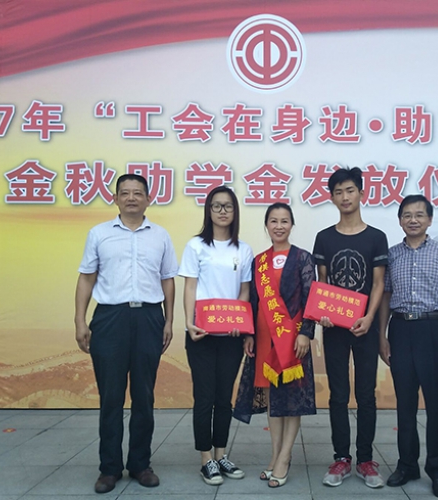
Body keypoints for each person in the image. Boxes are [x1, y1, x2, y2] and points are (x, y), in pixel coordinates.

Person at [74, 173, 178, 494]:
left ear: (149, 199)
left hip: (149, 317)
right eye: (125, 193)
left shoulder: (160, 236)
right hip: (110, 318)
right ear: (115, 198)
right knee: (111, 397)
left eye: (137, 193)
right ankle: (109, 468)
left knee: (144, 396)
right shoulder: (99, 234)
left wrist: (169, 321)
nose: (131, 198)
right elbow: (86, 278)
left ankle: (140, 464)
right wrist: (80, 320)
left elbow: (168, 280)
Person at [377, 194, 438, 498]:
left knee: (436, 404)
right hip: (401, 329)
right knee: (404, 404)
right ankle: (407, 465)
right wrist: (382, 336)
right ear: (400, 220)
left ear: (429, 219)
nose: (413, 220)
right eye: (407, 215)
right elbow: (386, 298)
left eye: (419, 215)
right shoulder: (392, 255)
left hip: (434, 330)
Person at [312, 167, 389, 488]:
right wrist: (322, 314)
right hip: (334, 328)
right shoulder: (324, 238)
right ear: (332, 198)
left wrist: (369, 319)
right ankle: (342, 458)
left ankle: (366, 459)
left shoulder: (376, 237)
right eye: (338, 192)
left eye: (350, 190)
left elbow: (378, 283)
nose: (345, 197)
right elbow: (322, 282)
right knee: (338, 395)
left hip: (365, 328)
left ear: (361, 193)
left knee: (366, 394)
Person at [233, 203, 317, 488]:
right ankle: (275, 454)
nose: (279, 226)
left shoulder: (303, 258)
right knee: (272, 398)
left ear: (292, 225)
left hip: (293, 340)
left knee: (291, 399)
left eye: (284, 221)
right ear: (266, 225)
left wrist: (306, 333)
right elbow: (253, 301)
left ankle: (285, 456)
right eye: (273, 221)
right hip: (264, 339)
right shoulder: (259, 261)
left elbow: (310, 298)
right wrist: (249, 334)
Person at [179, 186, 254, 485]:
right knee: (204, 397)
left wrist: (242, 322)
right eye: (217, 206)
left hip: (231, 336)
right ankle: (205, 459)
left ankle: (221, 454)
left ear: (235, 212)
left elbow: (245, 291)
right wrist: (189, 322)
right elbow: (190, 287)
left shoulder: (243, 250)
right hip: (201, 334)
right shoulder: (196, 246)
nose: (223, 211)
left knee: (224, 398)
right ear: (208, 211)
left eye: (228, 206)